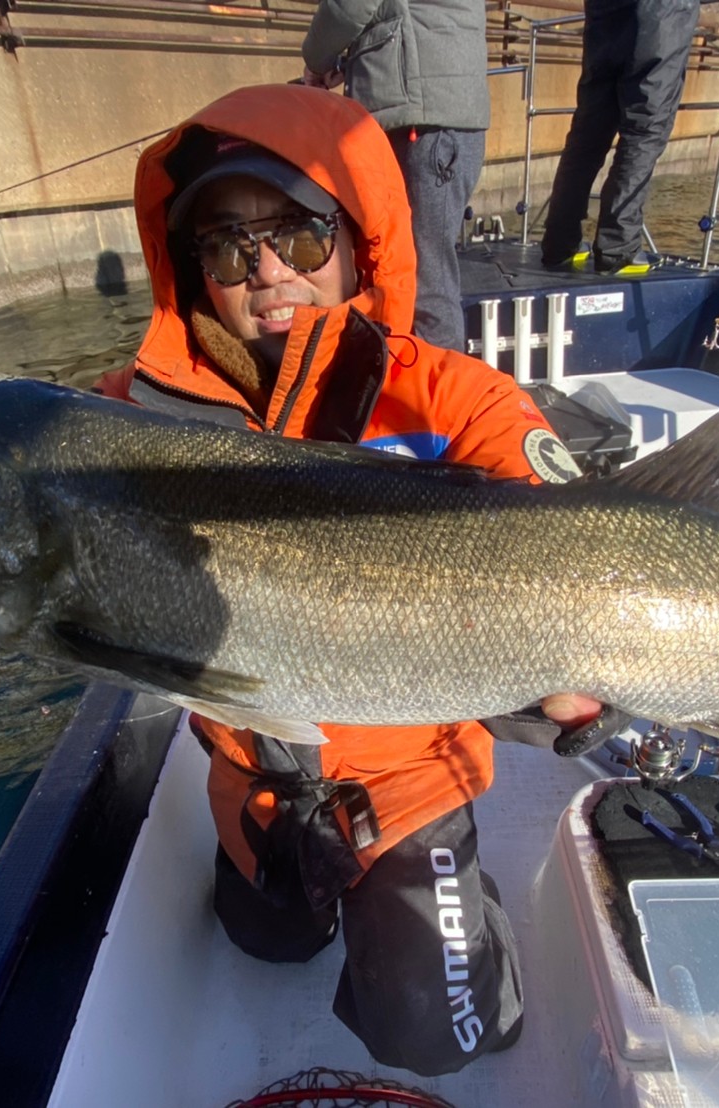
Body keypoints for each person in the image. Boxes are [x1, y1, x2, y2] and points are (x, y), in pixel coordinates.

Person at [100, 83, 601, 1076]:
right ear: (191, 268)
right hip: (253, 793)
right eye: (229, 244)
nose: (268, 271)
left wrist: (583, 672)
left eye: (298, 231)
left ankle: (458, 906)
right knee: (263, 940)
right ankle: (295, 891)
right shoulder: (129, 419)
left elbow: (577, 538)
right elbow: (8, 523)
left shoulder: (455, 398)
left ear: (359, 238)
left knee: (448, 1035)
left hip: (409, 786)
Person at [300, 0, 489, 353]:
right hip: (444, 112)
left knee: (422, 273)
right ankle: (410, 384)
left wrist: (316, 59)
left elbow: (349, 7)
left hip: (421, 119)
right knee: (417, 265)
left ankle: (434, 400)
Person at [539, 0, 702, 274]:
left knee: (588, 133)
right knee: (644, 132)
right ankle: (618, 249)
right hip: (662, 16)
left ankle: (559, 244)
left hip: (606, 15)